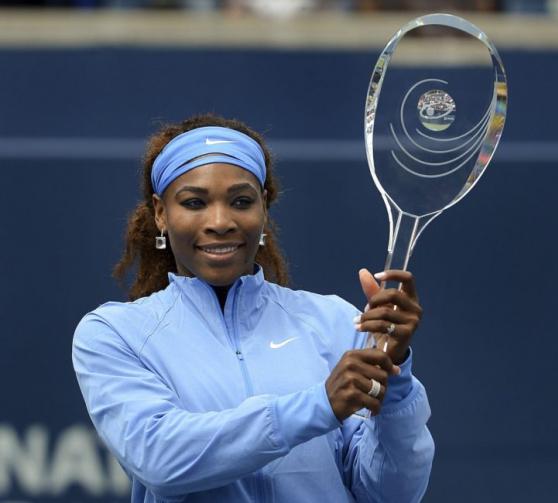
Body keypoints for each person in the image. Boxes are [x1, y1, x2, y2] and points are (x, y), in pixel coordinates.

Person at [72, 113, 434, 502]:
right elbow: (160, 458)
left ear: (263, 208)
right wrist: (320, 404)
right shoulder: (114, 334)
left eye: (241, 201)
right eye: (194, 202)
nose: (220, 221)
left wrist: (394, 380)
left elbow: (389, 494)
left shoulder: (333, 321)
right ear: (161, 213)